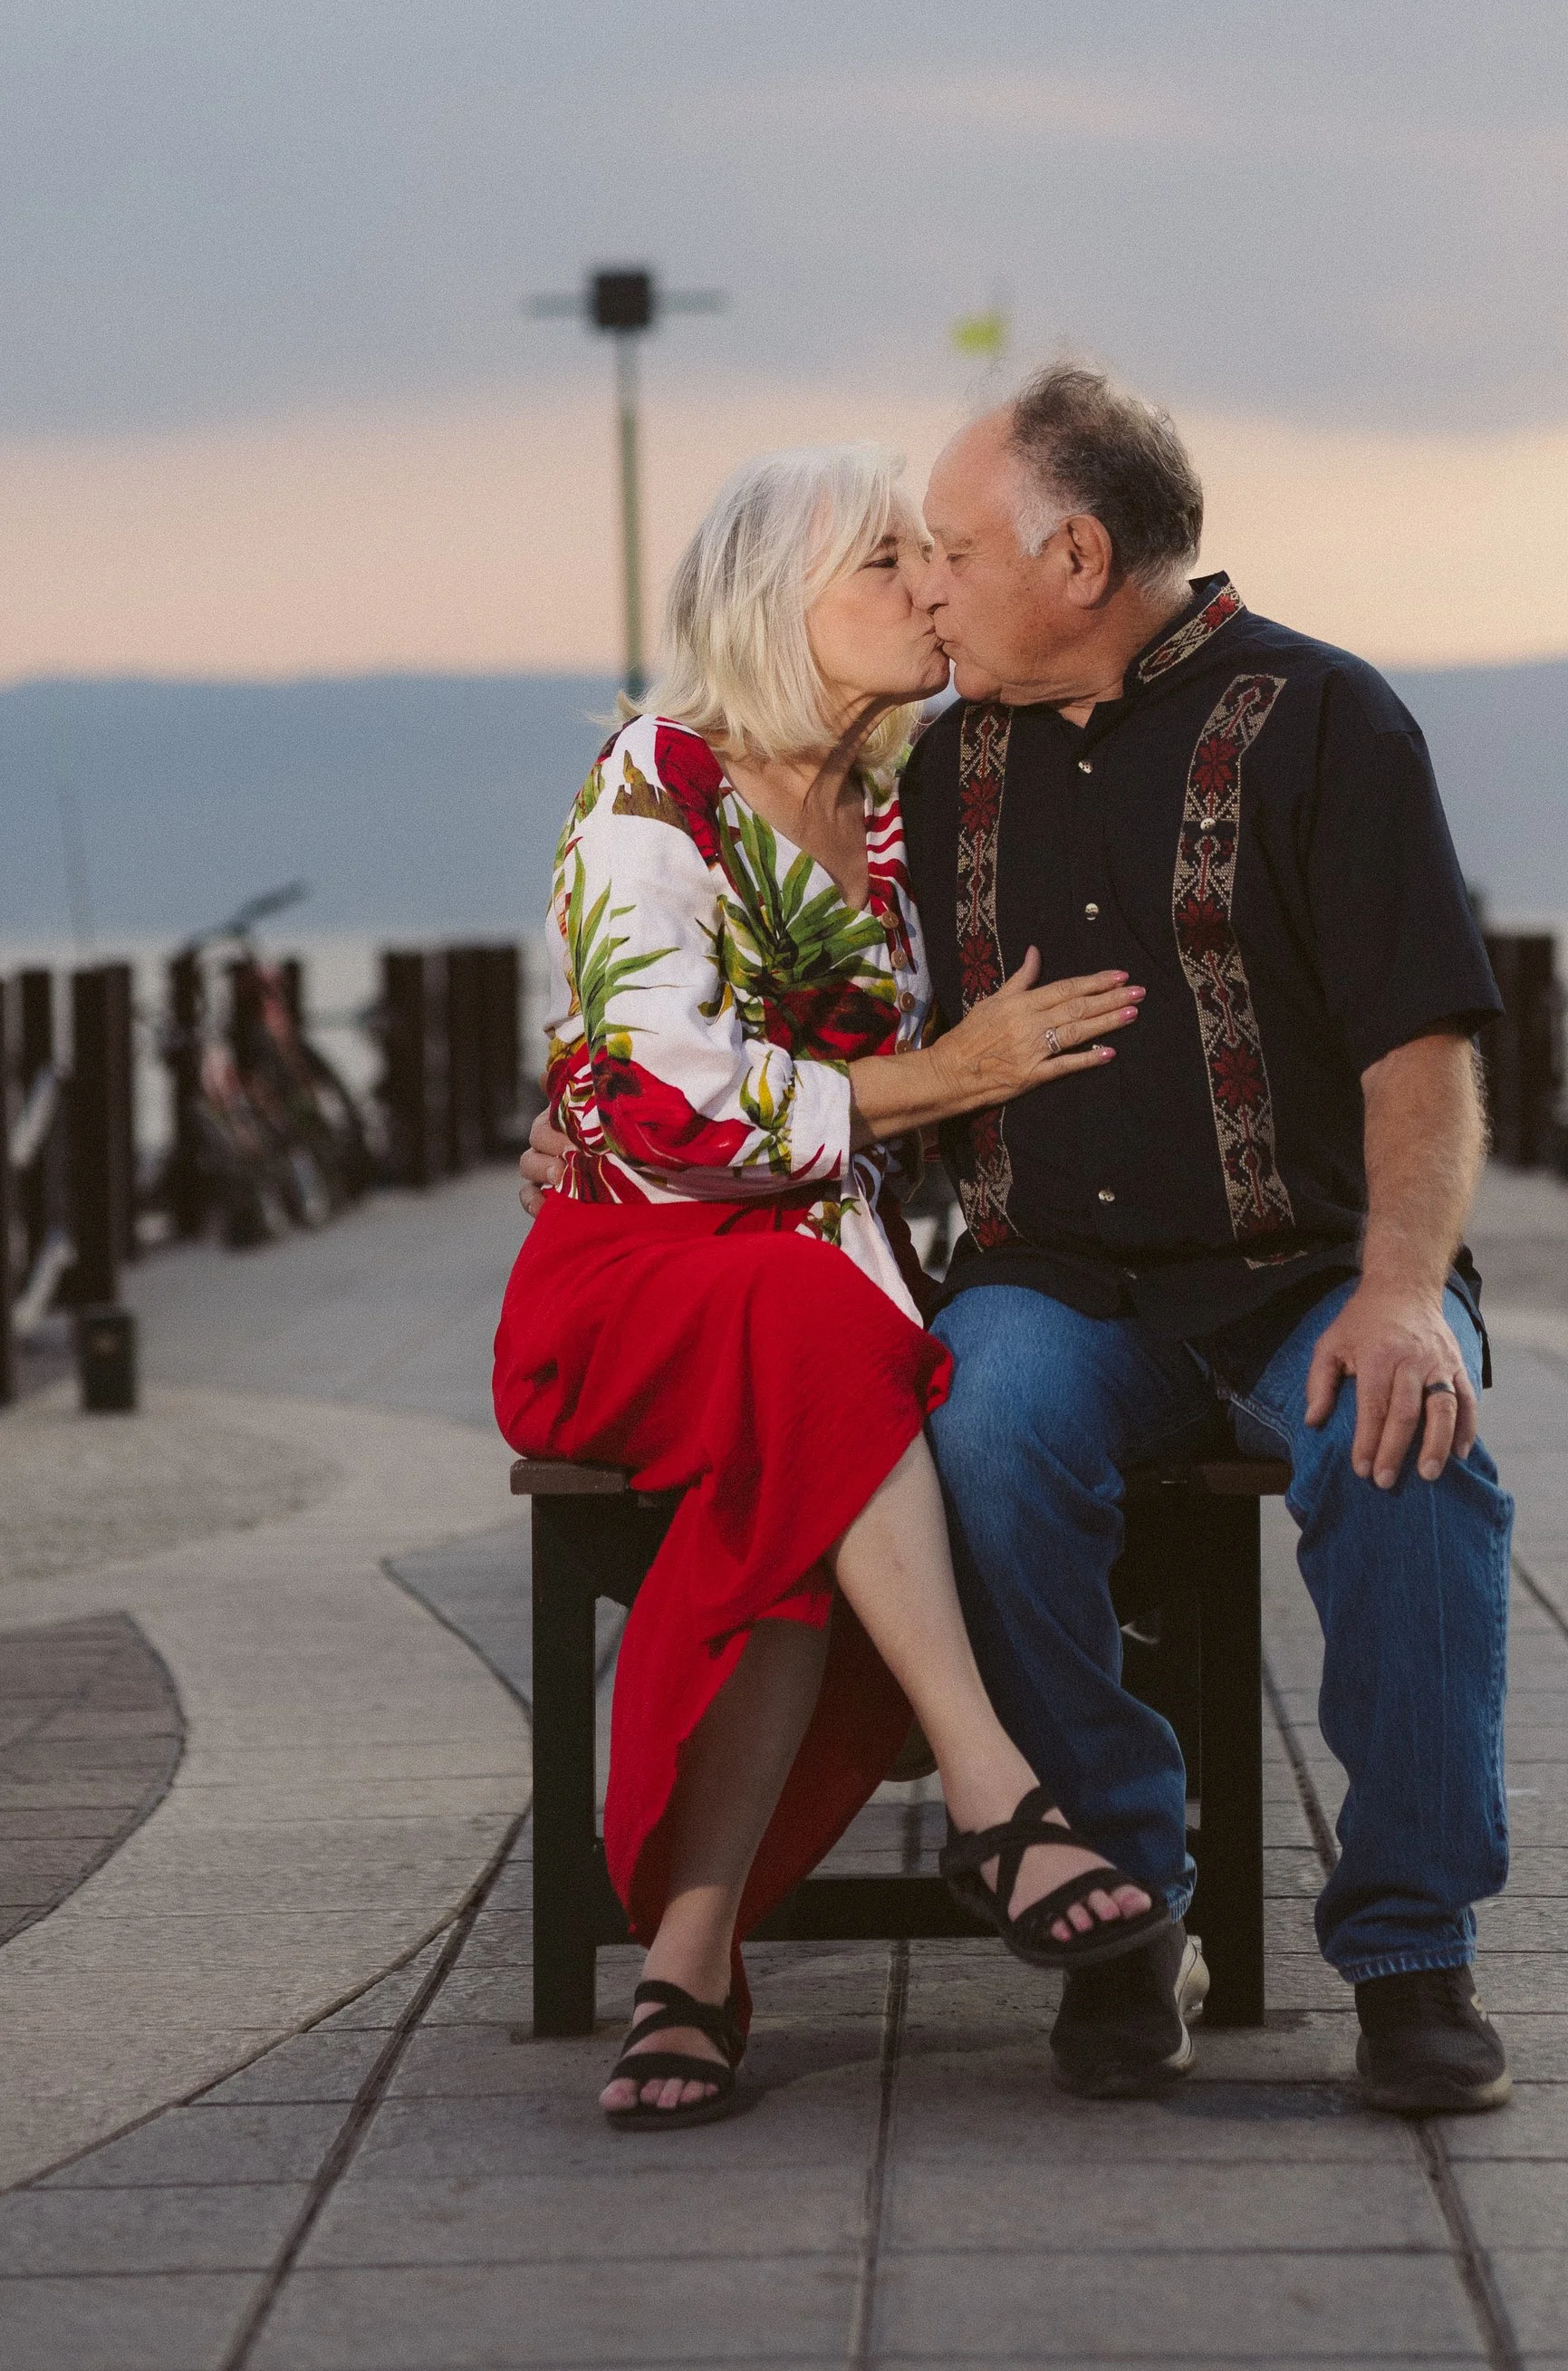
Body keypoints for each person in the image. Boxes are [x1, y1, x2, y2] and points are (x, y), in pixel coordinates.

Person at [526, 367, 1512, 2115]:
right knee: (981, 1428)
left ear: (1075, 553)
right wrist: (597, 1116)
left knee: (1408, 1442)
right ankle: (1123, 1911)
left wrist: (1408, 1290)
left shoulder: (1327, 721)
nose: (930, 587)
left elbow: (1422, 1046)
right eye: (900, 559)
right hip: (1049, 1273)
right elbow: (719, 989)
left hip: (1309, 1264)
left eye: (953, 551)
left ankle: (1413, 1952)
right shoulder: (940, 750)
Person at [495, 441, 1169, 2126]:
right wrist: (946, 1073)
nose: (928, 587)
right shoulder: (654, 780)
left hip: (811, 1282)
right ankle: (993, 1781)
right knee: (831, 1343)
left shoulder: (893, 810)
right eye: (887, 562)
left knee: (837, 1388)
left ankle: (690, 1959)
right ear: (773, 605)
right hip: (628, 1273)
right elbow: (662, 1101)